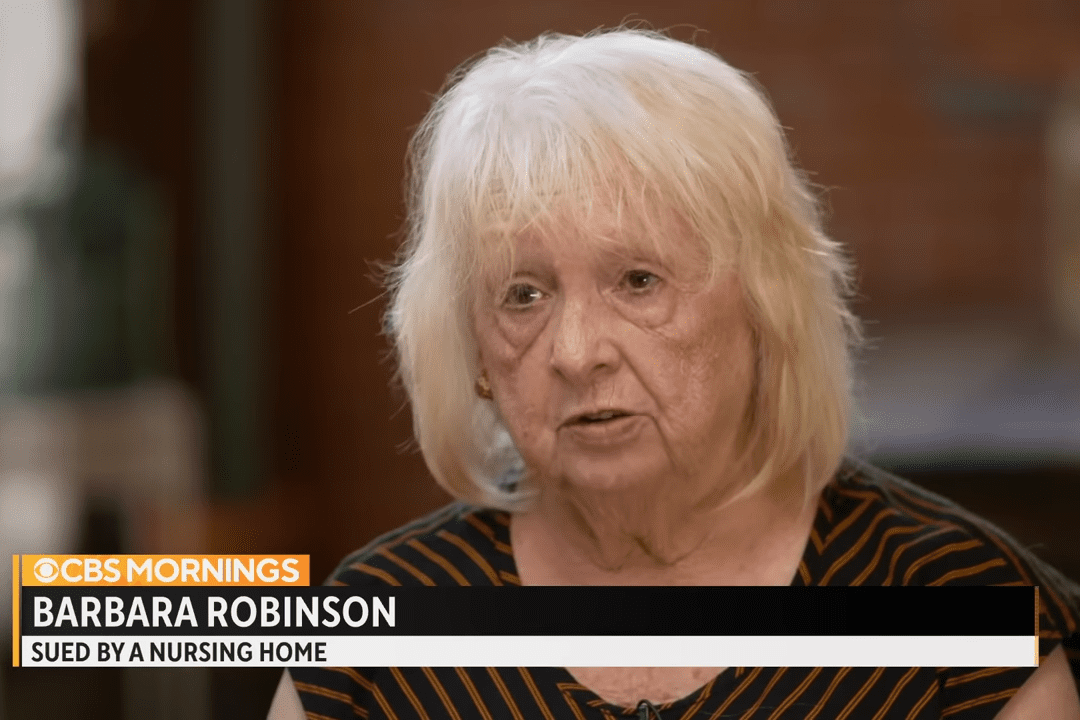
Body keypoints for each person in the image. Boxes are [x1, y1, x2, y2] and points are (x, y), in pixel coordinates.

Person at [269, 28, 1080, 719]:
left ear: (764, 304)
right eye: (523, 295)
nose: (576, 351)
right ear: (474, 352)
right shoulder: (364, 651)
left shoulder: (966, 626)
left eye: (638, 281)